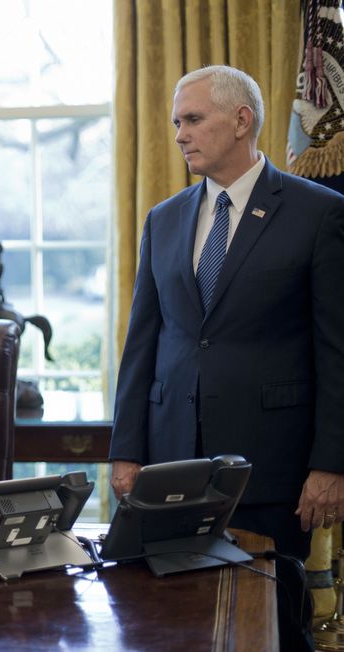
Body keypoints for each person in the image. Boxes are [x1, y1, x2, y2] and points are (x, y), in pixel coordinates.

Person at [110, 65, 344, 560]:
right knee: (170, 623)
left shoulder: (319, 213)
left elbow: (337, 352)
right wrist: (126, 450)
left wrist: (332, 464)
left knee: (270, 623)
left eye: (192, 119)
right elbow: (142, 343)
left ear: (241, 120)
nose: (179, 135)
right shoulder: (163, 218)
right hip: (169, 465)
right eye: (176, 123)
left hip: (270, 470)